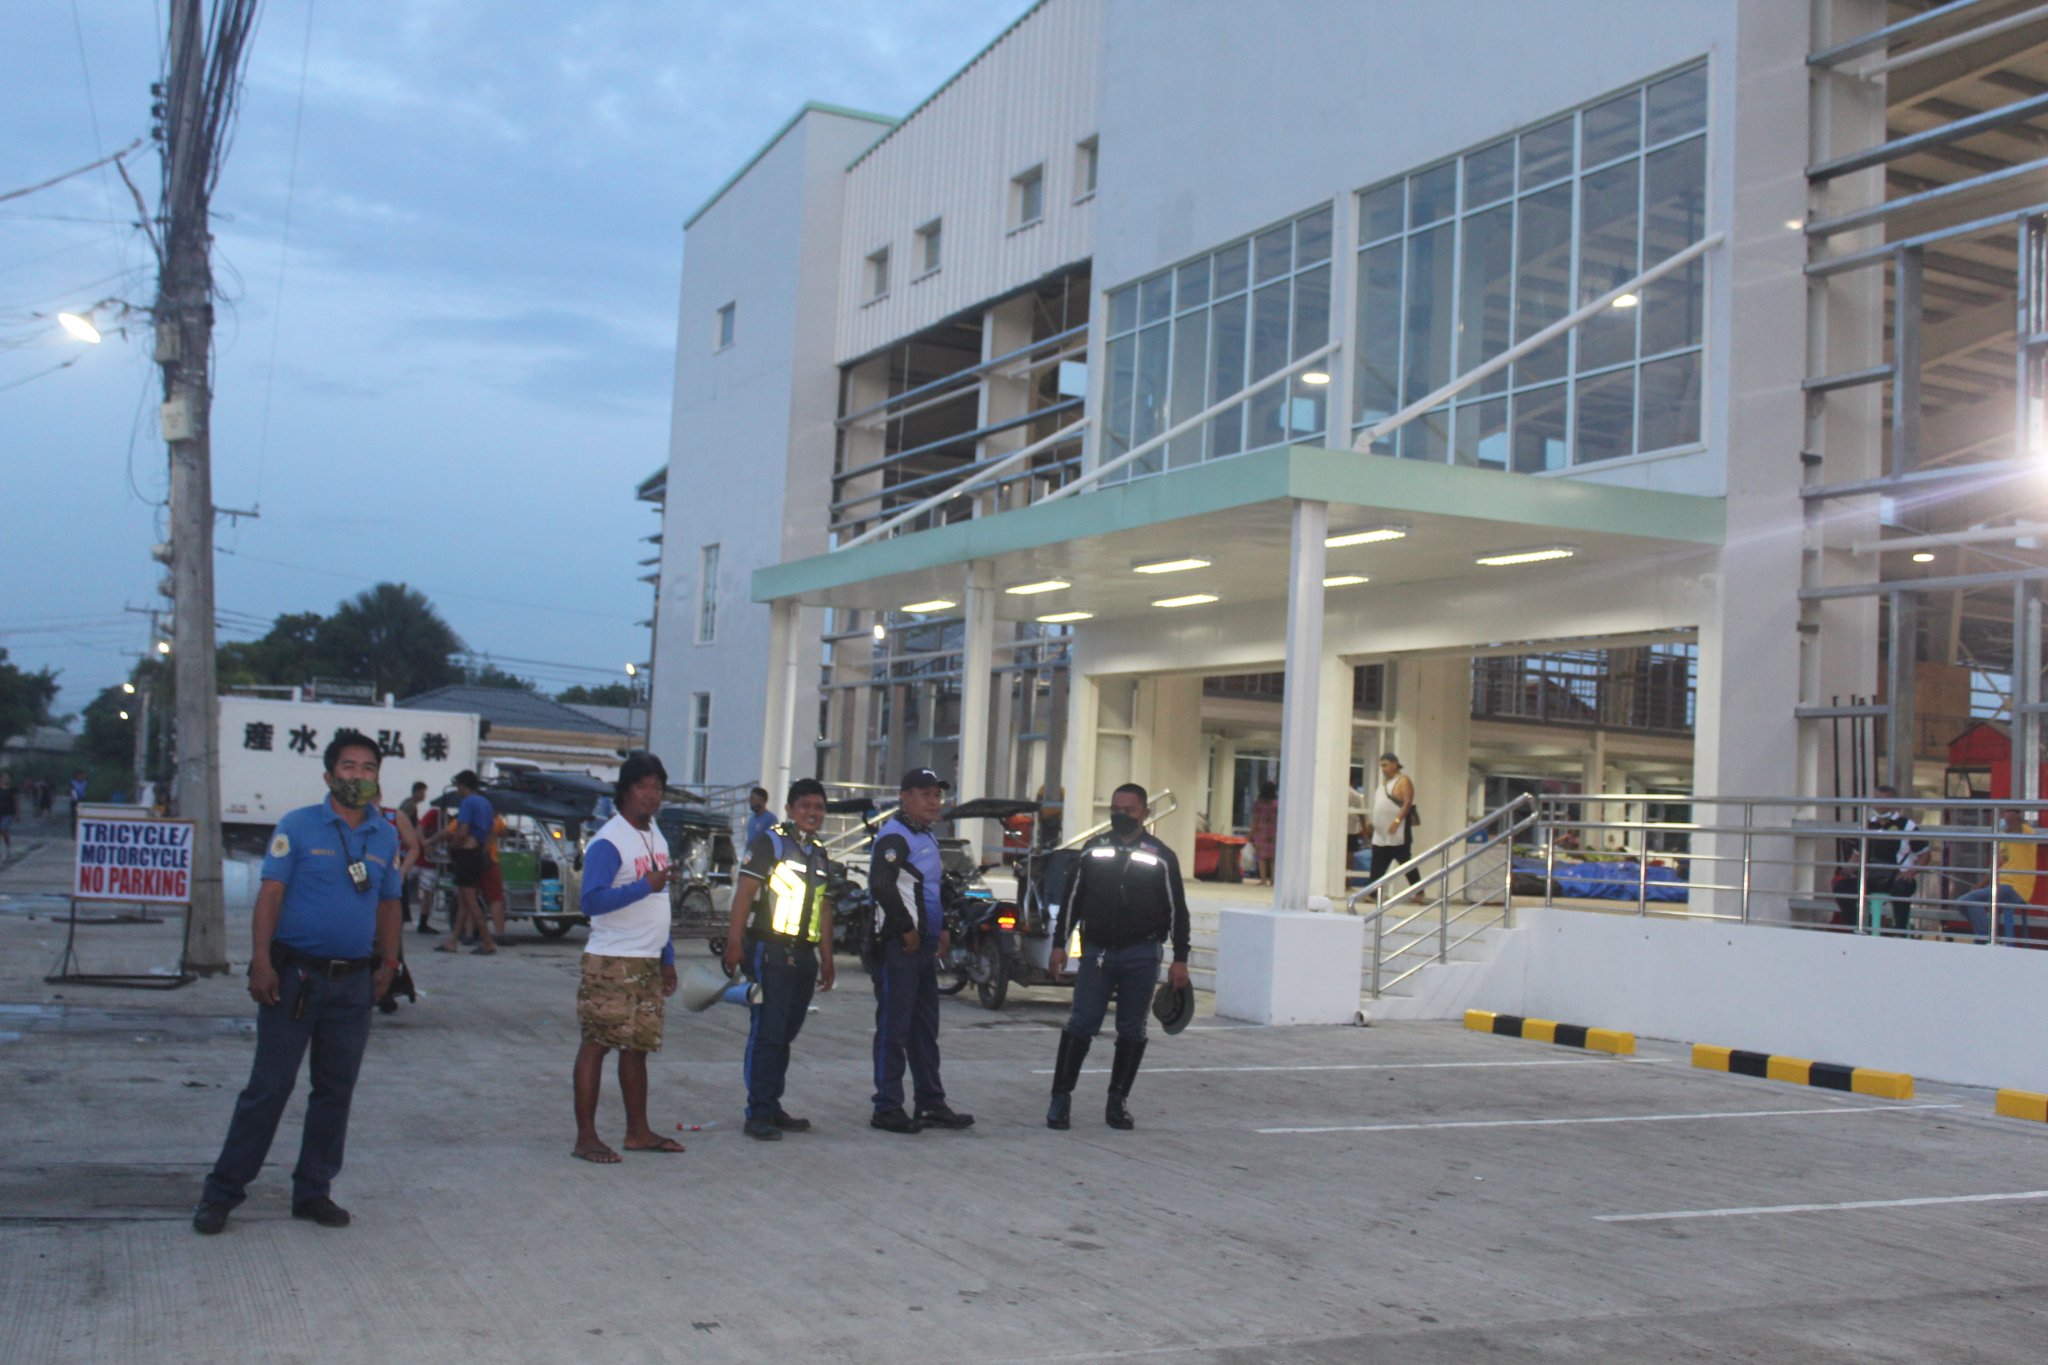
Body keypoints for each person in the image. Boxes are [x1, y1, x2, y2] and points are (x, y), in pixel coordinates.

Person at [191, 730, 403, 1235]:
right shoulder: (298, 826)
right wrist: (260, 961)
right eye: (348, 766)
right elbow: (271, 894)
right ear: (329, 775)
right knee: (268, 1089)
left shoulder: (385, 836)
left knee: (335, 1092)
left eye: (368, 767)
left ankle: (313, 1191)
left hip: (352, 984)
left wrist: (388, 965)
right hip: (295, 979)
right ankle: (221, 1194)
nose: (358, 775)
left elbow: (390, 903)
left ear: (378, 777)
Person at [1045, 782, 1191, 1131]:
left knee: (1131, 1029)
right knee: (1082, 1023)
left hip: (1142, 953)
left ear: (1145, 813)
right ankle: (1060, 1099)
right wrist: (1059, 943)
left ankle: (1117, 1101)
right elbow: (1072, 900)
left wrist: (1180, 958)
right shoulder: (1093, 849)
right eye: (1116, 809)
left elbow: (1178, 912)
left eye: (1129, 810)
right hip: (1097, 952)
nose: (1121, 815)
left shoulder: (1161, 855)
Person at [571, 751, 684, 1162]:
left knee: (637, 1048)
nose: (651, 795)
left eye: (657, 788)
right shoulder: (609, 840)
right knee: (597, 1045)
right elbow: (591, 901)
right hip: (612, 960)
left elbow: (662, 901)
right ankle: (586, 1137)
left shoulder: (657, 836)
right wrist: (644, 886)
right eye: (643, 787)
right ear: (625, 791)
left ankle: (638, 1131)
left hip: (647, 960)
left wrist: (666, 956)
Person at [722, 777, 836, 1140]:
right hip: (769, 951)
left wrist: (827, 958)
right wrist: (734, 943)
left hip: (804, 955)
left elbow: (826, 908)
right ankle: (758, 1111)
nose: (812, 813)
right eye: (804, 805)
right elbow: (745, 893)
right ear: (789, 809)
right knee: (768, 1032)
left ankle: (771, 1104)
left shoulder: (819, 852)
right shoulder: (768, 841)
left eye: (818, 807)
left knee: (786, 1033)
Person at [865, 767, 973, 1134]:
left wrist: (940, 927)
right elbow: (881, 883)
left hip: (922, 946)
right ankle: (887, 1105)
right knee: (895, 1028)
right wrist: (906, 928)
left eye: (937, 795)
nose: (934, 802)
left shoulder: (924, 836)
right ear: (905, 797)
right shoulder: (894, 837)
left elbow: (930, 887)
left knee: (924, 1028)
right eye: (926, 795)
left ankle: (930, 1101)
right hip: (900, 947)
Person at [1829, 785, 1926, 933]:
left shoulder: (1907, 825)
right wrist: (1848, 870)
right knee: (1842, 887)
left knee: (1902, 887)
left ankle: (1899, 930)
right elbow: (1856, 854)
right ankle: (1855, 927)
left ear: (1893, 802)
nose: (1879, 802)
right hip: (1871, 877)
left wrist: (1911, 872)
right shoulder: (1868, 825)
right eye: (1877, 798)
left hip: (1896, 877)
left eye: (1884, 799)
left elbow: (1925, 854)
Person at [427, 771, 497, 955]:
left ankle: (488, 942)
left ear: (464, 785)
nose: (457, 789)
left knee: (470, 901)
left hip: (466, 854)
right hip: (477, 852)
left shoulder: (468, 803)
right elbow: (491, 830)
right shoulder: (485, 803)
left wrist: (452, 847)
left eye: (458, 785)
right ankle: (453, 941)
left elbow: (462, 830)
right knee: (464, 901)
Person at [1954, 808, 2037, 943]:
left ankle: (1986, 937)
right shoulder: (2003, 838)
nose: (2002, 817)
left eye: (2005, 813)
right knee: (1962, 902)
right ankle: (1988, 934)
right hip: (2001, 886)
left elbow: (2015, 822)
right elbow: (1995, 865)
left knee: (1970, 900)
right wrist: (1979, 885)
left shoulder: (2025, 830)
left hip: (2017, 887)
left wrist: (2007, 810)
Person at [1366, 752, 1420, 887]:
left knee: (1405, 861)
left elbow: (1407, 803)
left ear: (1395, 765)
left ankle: (1418, 890)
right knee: (1377, 861)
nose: (1383, 769)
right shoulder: (1384, 783)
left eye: (1385, 765)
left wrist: (1397, 821)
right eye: (1381, 766)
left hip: (1397, 830)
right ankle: (1372, 891)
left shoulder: (1403, 781)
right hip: (1381, 832)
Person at [1248, 780, 1278, 886]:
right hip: (1275, 832)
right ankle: (1274, 880)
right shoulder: (1277, 804)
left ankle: (1264, 880)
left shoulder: (1259, 804)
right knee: (1273, 858)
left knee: (1262, 857)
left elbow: (1255, 819)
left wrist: (1251, 833)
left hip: (1261, 832)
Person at [0, 772, 17, 858]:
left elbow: (16, 802)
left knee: (3, 829)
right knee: (3, 831)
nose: (6, 779)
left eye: (7, 778)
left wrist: (17, 814)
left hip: (9, 813)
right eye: (4, 778)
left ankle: (8, 848)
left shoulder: (12, 790)